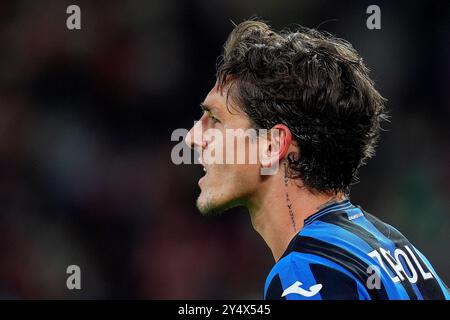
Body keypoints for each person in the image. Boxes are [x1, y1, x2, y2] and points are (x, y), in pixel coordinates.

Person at [185, 19, 449, 300]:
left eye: (215, 119)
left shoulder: (307, 271)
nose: (192, 137)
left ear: (273, 146)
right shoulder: (400, 252)